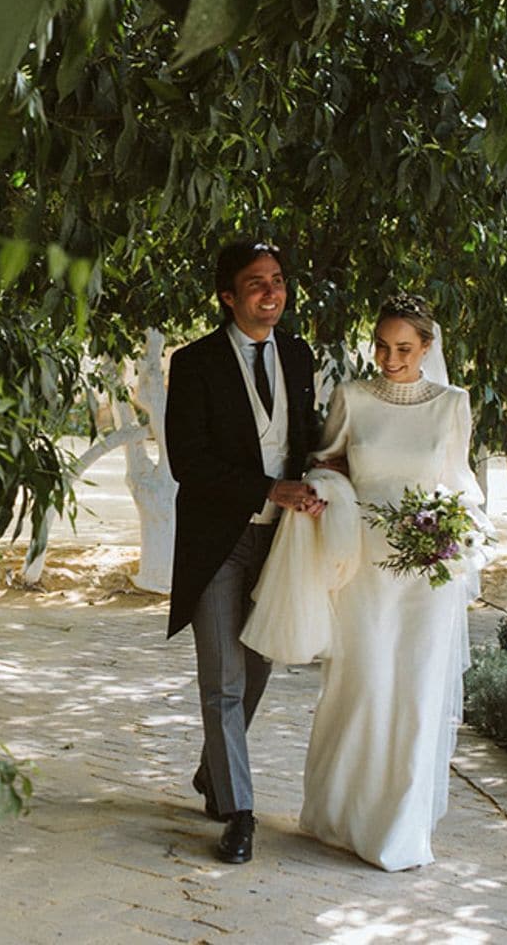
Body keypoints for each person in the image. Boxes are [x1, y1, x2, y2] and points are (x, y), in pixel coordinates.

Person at [293, 293, 488, 871]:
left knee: (417, 693)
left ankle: (399, 829)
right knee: (365, 684)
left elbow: (459, 483)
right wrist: (323, 494)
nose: (390, 357)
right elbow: (324, 463)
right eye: (381, 345)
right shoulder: (351, 397)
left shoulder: (453, 404)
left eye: (404, 347)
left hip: (428, 573)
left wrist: (457, 533)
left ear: (428, 348)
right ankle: (340, 815)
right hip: (366, 566)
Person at [163, 239, 322, 865]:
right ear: (228, 296)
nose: (271, 292)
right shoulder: (196, 362)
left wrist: (323, 477)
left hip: (281, 545)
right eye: (255, 282)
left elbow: (305, 439)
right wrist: (266, 489)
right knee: (223, 679)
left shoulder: (301, 355)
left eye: (278, 280)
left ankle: (214, 771)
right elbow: (189, 462)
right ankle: (239, 813)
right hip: (218, 542)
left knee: (258, 670)